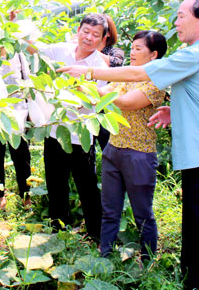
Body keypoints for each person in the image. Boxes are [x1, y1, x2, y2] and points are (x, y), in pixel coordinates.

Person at [58, 0, 199, 290]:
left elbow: (140, 75)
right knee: (193, 224)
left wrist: (87, 71)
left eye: (182, 16)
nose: (176, 21)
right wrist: (174, 110)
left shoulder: (198, 53)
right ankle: (190, 286)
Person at [26, 13, 108, 241]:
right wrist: (16, 25)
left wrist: (78, 88)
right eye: (86, 32)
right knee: (55, 182)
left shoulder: (99, 66)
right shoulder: (61, 51)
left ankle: (95, 233)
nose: (89, 38)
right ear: (78, 31)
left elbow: (96, 100)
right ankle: (57, 230)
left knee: (87, 185)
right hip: (54, 129)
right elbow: (34, 49)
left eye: (95, 35)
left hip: (80, 134)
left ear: (102, 40)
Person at [97, 30, 167, 261]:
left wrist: (93, 90)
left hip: (139, 155)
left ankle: (147, 261)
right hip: (113, 150)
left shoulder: (156, 82)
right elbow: (108, 91)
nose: (133, 52)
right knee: (109, 211)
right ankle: (104, 256)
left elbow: (126, 103)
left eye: (139, 48)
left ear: (154, 54)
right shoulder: (128, 77)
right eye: (132, 47)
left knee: (142, 214)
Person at [0, 53, 31, 209]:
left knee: (22, 154)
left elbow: (27, 78)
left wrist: (30, 109)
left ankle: (26, 195)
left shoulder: (18, 52)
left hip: (17, 110)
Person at [96, 14, 124, 151]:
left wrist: (91, 51)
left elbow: (115, 64)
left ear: (107, 32)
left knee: (108, 146)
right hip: (85, 104)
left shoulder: (114, 51)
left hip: (106, 106)